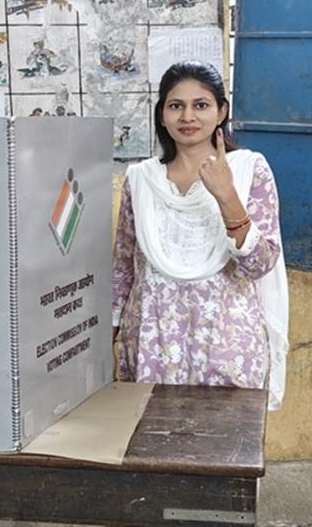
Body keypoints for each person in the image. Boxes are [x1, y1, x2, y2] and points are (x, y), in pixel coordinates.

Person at [111, 61, 289, 410]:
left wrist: (227, 196)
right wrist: (109, 339)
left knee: (222, 453)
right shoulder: (141, 179)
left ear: (221, 112)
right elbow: (124, 267)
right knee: (151, 449)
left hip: (225, 344)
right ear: (162, 115)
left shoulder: (249, 169)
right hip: (151, 340)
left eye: (201, 105)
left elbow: (261, 264)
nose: (187, 116)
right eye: (175, 106)